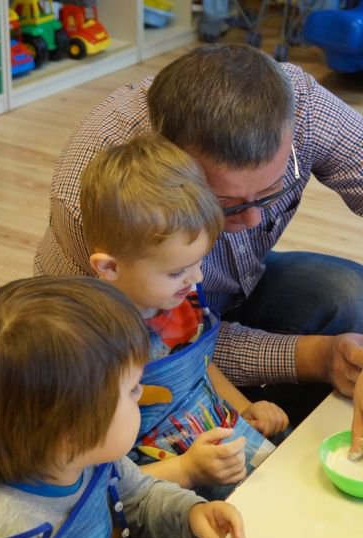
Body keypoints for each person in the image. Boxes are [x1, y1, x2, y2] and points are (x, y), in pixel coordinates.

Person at [35, 44, 363, 471]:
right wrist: (312, 358)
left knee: (357, 302)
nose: (255, 220)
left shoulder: (302, 106)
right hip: (131, 346)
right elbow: (159, 348)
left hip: (206, 312)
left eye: (272, 190)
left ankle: (268, 432)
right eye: (224, 203)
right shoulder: (96, 201)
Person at [0, 277, 245, 538]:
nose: (140, 394)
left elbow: (140, 498)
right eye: (131, 390)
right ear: (71, 433)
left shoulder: (88, 457)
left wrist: (190, 514)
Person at [80, 134, 288, 499]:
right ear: (110, 267)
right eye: (177, 271)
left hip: (214, 432)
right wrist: (186, 470)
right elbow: (94, 479)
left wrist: (245, 408)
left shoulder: (177, 297)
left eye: (199, 262)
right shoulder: (90, 350)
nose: (197, 278)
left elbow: (199, 367)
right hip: (160, 481)